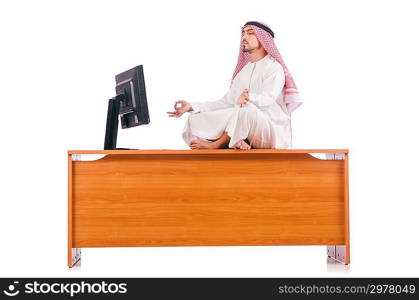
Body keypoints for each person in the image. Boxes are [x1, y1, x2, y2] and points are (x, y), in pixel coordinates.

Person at [167, 21, 302, 150]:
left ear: (263, 38)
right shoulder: (243, 72)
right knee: (196, 117)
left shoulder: (274, 67)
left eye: (250, 33)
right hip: (247, 125)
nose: (244, 37)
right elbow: (224, 103)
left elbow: (268, 99)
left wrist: (249, 98)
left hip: (270, 132)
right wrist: (192, 106)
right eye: (243, 33)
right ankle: (239, 142)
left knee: (245, 109)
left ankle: (218, 145)